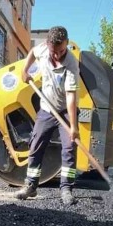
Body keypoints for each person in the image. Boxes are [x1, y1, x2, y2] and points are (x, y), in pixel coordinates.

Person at [14, 26, 80, 205]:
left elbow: (71, 96)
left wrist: (73, 126)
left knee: (69, 149)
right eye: (54, 51)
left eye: (61, 51)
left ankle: (66, 189)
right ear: (48, 45)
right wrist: (24, 70)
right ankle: (31, 186)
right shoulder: (42, 49)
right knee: (35, 145)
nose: (57, 55)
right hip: (46, 108)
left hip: (66, 110)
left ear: (66, 44)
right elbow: (32, 53)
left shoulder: (72, 64)